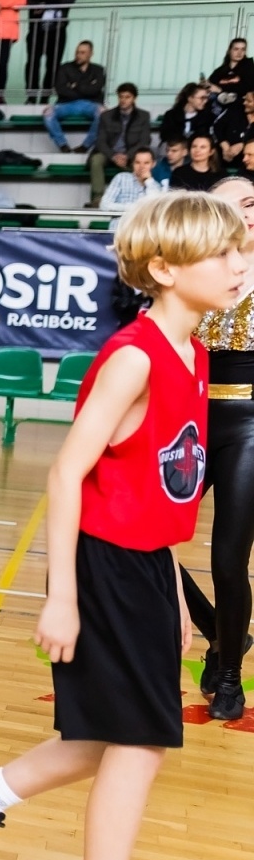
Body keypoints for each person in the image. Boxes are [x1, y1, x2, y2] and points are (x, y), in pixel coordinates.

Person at [0, 192, 246, 860]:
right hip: (100, 568)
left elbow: (155, 490)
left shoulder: (194, 353)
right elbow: (68, 473)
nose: (242, 264)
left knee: (107, 734)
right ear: (164, 269)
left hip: (143, 566)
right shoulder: (134, 357)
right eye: (223, 252)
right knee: (139, 742)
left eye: (243, 249)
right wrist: (59, 595)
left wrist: (172, 592)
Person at [179, 175, 254, 720]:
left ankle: (228, 672)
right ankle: (220, 634)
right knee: (141, 540)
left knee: (229, 560)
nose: (247, 214)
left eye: (252, 204)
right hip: (189, 418)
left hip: (250, 421)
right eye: (233, 207)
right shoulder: (194, 271)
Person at [24, 0, 78, 103]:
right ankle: (31, 97)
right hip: (36, 28)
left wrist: (44, 3)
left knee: (53, 64)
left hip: (57, 28)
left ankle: (45, 98)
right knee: (33, 63)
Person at [87, 83, 152, 205]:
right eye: (121, 97)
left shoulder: (143, 116)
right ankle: (97, 198)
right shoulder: (106, 116)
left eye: (127, 97)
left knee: (140, 164)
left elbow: (144, 141)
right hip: (109, 153)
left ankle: (135, 200)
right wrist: (114, 156)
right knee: (96, 160)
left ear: (134, 98)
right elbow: (100, 141)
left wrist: (127, 156)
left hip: (131, 154)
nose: (123, 100)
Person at [41, 40, 105, 152]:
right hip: (66, 104)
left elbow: (95, 90)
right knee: (48, 113)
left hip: (90, 104)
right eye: (77, 52)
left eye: (82, 52)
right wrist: (87, 87)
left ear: (90, 54)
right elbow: (61, 89)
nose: (78, 55)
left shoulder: (98, 70)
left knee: (103, 114)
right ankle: (62, 144)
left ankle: (85, 146)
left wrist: (75, 85)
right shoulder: (65, 68)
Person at [159, 83, 214, 148]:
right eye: (202, 98)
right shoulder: (171, 115)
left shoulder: (206, 117)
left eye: (206, 98)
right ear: (190, 98)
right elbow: (165, 135)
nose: (205, 101)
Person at [207, 37, 254, 105]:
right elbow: (211, 84)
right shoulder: (220, 70)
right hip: (218, 103)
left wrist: (220, 90)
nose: (239, 52)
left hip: (239, 106)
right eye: (236, 49)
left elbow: (247, 88)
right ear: (229, 50)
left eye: (243, 49)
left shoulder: (249, 68)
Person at [214, 90, 254, 168]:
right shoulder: (237, 108)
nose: (244, 103)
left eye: (249, 101)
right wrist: (224, 145)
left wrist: (243, 145)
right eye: (245, 99)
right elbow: (218, 126)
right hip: (223, 159)